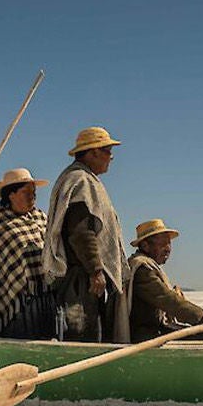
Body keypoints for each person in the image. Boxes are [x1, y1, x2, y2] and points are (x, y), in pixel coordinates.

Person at [43, 126, 128, 342]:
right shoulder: (80, 181)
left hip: (83, 275)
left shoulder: (83, 179)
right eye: (108, 150)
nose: (112, 156)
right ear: (93, 152)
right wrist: (95, 270)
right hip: (81, 278)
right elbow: (81, 231)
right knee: (82, 335)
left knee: (86, 331)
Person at [0, 168, 55, 339]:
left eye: (33, 192)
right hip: (12, 297)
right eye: (26, 192)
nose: (32, 196)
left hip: (42, 295)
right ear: (11, 195)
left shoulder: (41, 218)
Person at [124, 219, 203, 343]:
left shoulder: (149, 266)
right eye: (163, 244)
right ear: (145, 246)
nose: (168, 249)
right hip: (146, 334)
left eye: (169, 244)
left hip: (156, 329)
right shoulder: (142, 269)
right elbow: (167, 299)